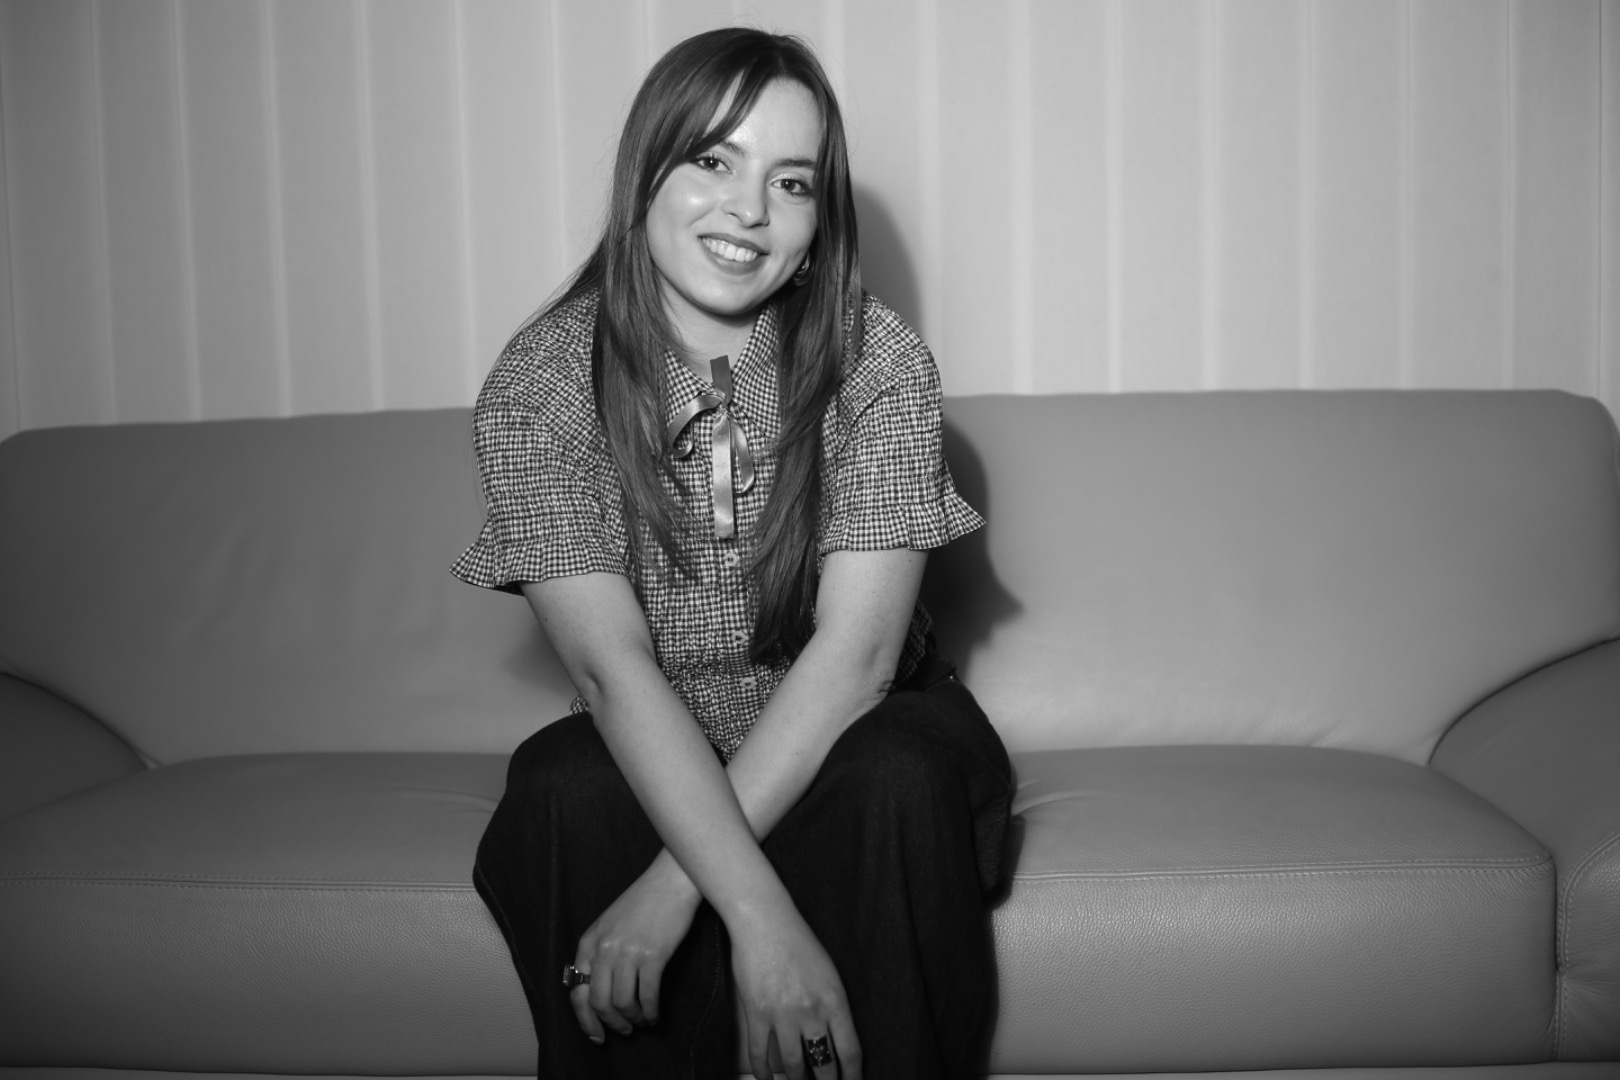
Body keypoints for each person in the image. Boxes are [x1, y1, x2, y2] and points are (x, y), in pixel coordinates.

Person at [451, 26, 1012, 1080]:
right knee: (561, 790)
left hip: (861, 736)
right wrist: (756, 912)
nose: (750, 209)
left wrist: (682, 893)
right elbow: (608, 670)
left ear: (819, 219)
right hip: (660, 740)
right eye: (714, 159)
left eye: (791, 182)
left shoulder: (879, 358)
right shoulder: (541, 382)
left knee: (895, 776)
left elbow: (858, 659)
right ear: (646, 170)